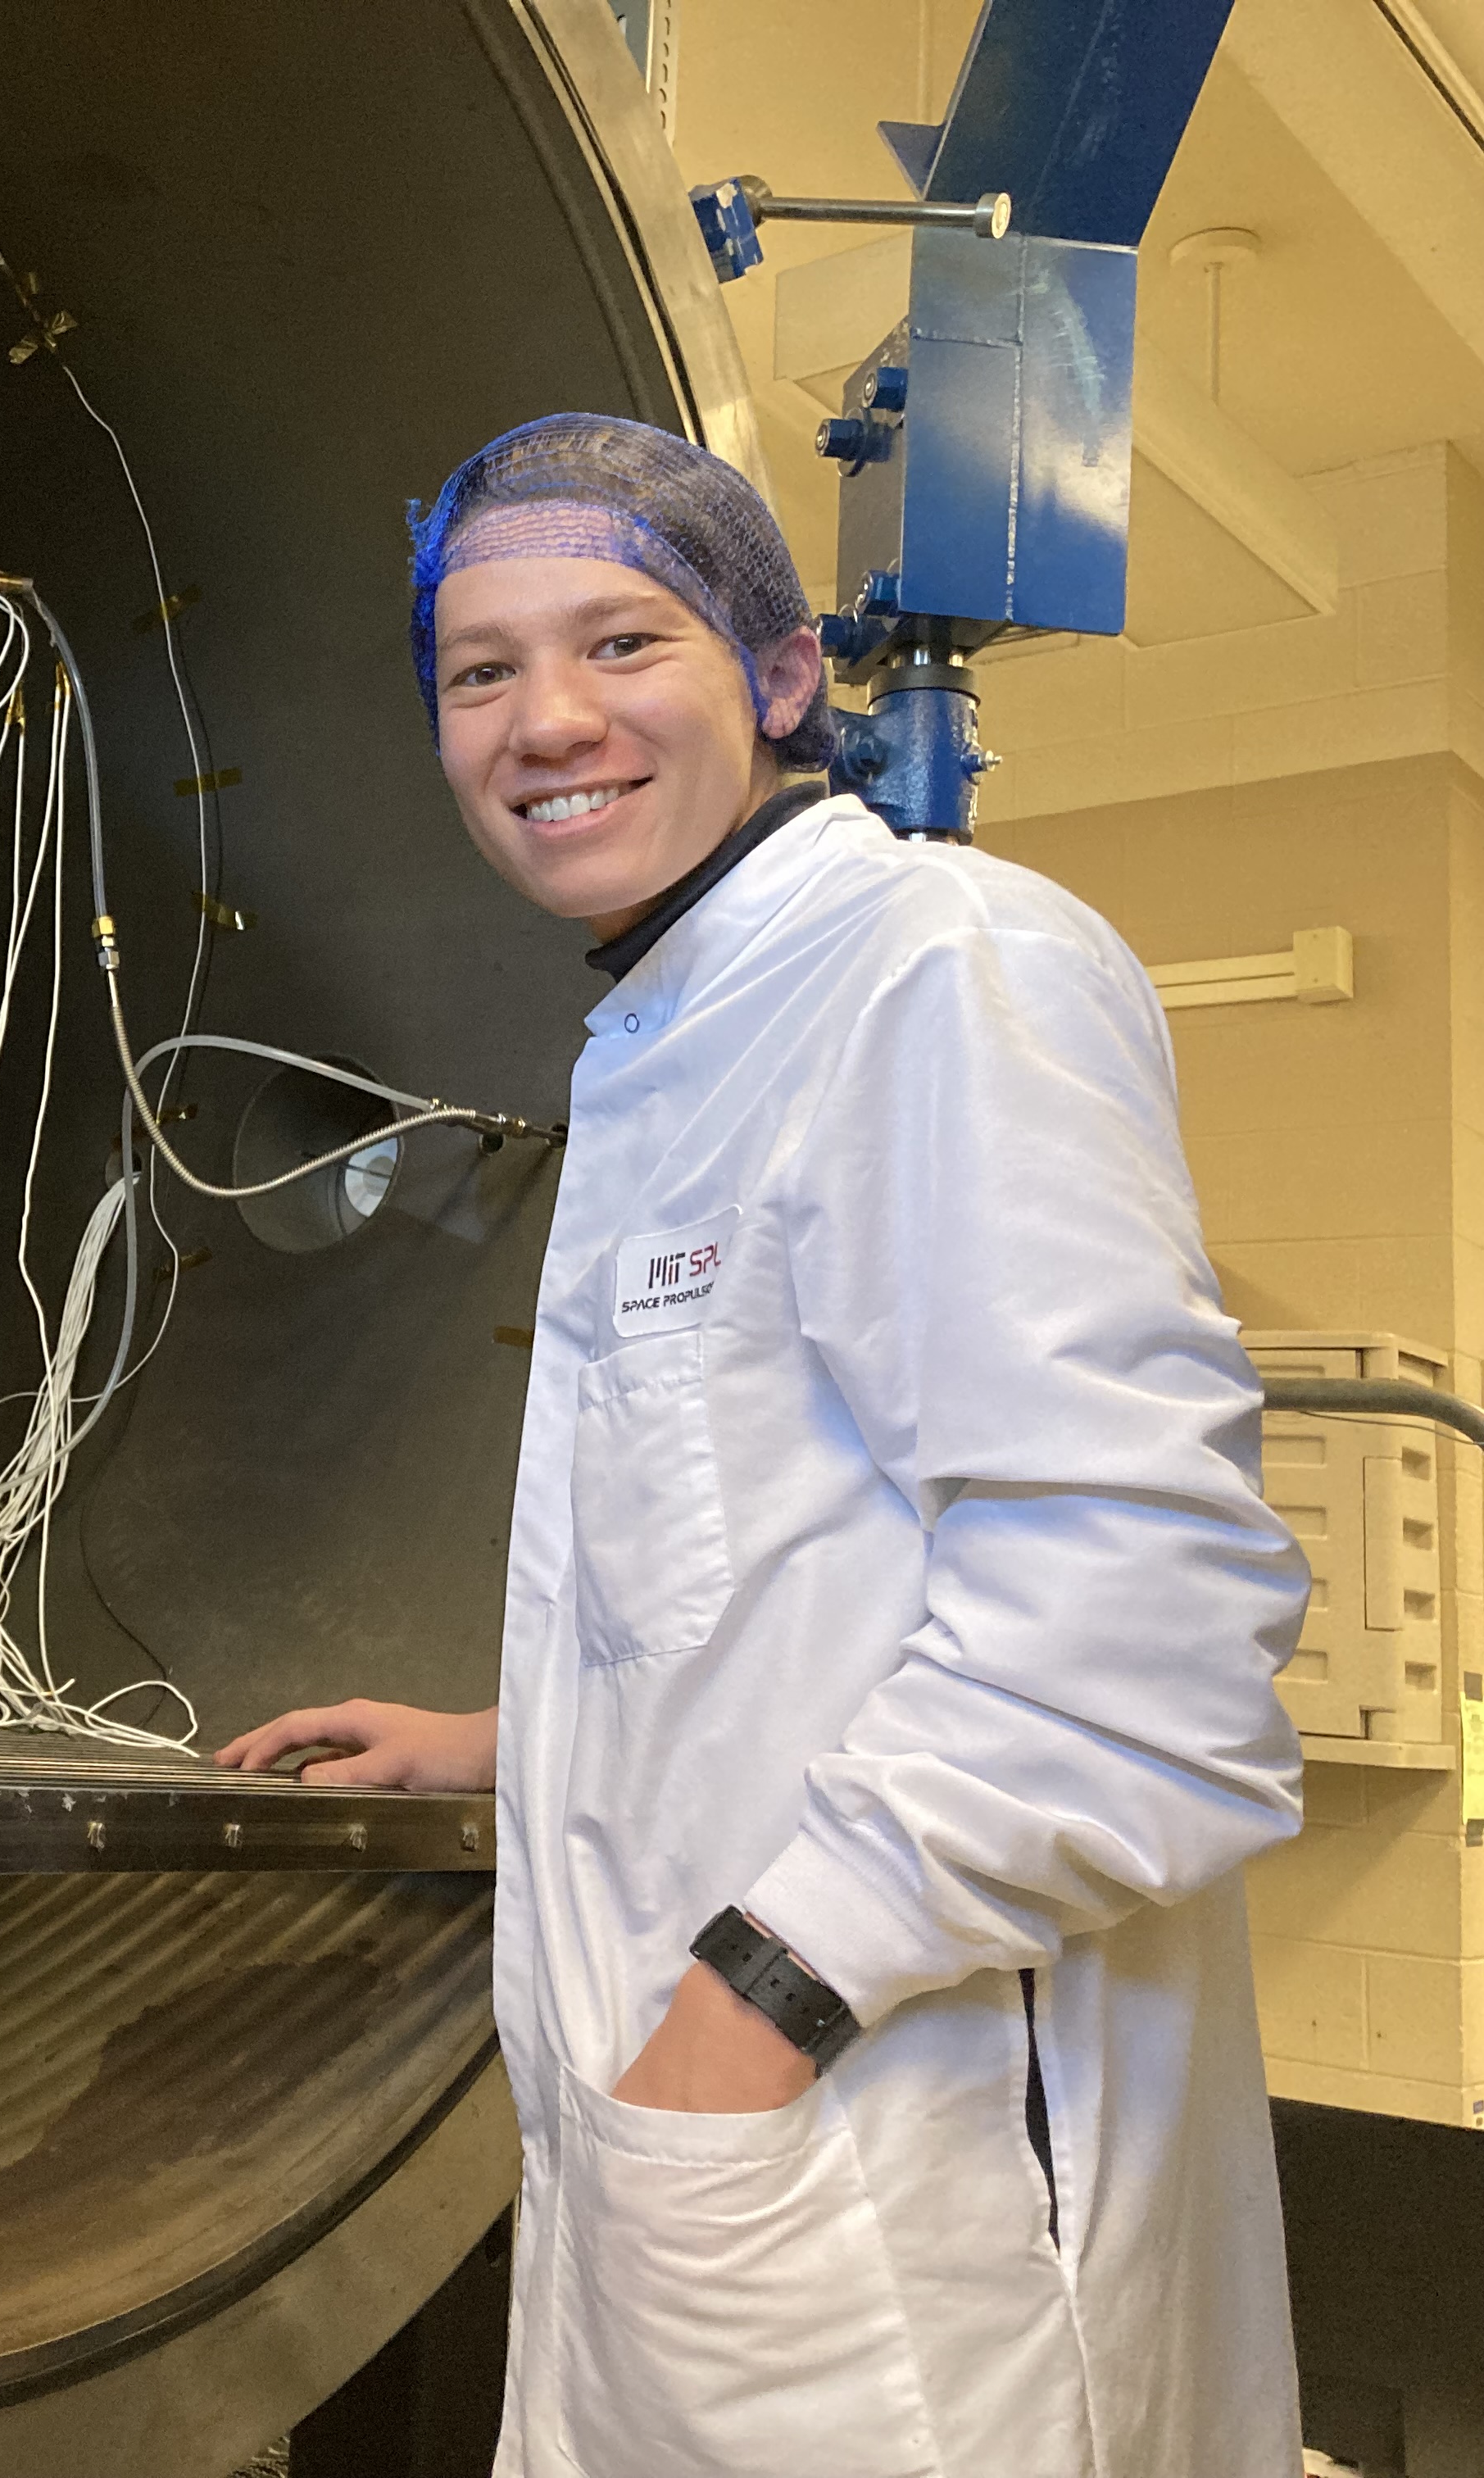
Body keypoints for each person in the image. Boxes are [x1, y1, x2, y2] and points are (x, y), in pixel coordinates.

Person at [214, 413, 1311, 2478]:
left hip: (901, 2198)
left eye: (623, 644)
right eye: (480, 671)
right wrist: (514, 1732)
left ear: (786, 676)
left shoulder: (934, 972)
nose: (547, 720)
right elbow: (793, 1561)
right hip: (739, 2191)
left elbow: (1143, 1639)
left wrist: (753, 2010)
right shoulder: (676, 1032)